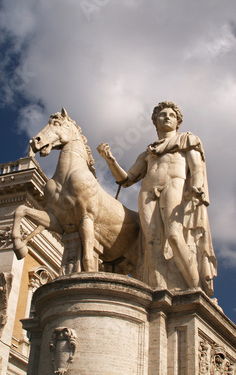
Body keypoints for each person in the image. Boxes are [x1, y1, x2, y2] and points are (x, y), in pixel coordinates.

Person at [97, 101, 217, 295]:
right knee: (151, 242)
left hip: (174, 185)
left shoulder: (187, 140)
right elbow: (126, 180)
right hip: (148, 191)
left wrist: (196, 186)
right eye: (162, 115)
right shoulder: (147, 153)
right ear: (155, 122)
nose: (167, 117)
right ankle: (159, 290)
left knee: (174, 235)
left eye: (171, 115)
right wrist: (110, 159)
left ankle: (196, 288)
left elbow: (196, 168)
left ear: (178, 121)